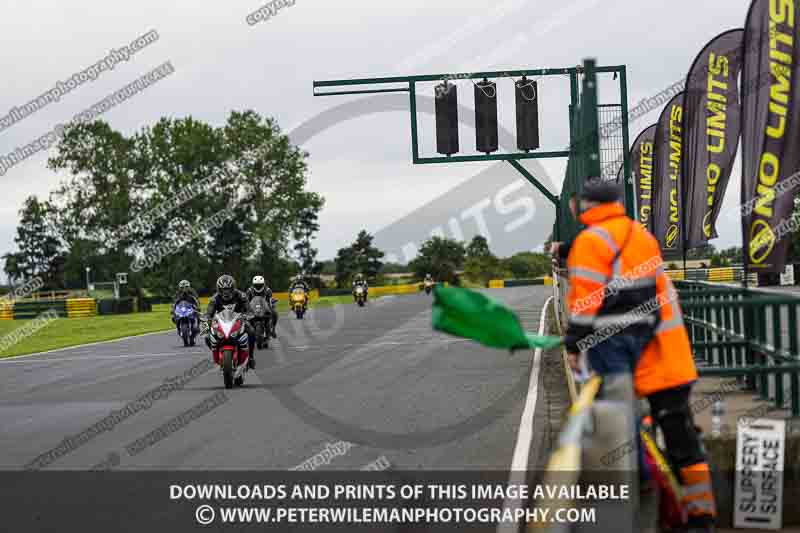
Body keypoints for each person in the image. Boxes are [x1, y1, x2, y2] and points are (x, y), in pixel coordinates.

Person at [562, 178, 716, 532]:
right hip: (668, 354)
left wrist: (573, 344)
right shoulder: (641, 236)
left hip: (622, 349)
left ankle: (630, 500)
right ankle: (700, 516)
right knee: (682, 440)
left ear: (585, 206)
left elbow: (585, 301)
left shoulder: (590, 241)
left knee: (617, 425)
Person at [204, 274, 257, 369]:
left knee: (251, 332)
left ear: (233, 288)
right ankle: (216, 352)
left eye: (228, 289)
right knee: (207, 336)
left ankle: (251, 357)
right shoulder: (214, 298)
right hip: (221, 322)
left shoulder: (241, 295)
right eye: (223, 289)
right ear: (219, 289)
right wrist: (207, 318)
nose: (226, 292)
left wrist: (249, 315)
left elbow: (249, 309)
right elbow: (209, 311)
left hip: (239, 321)